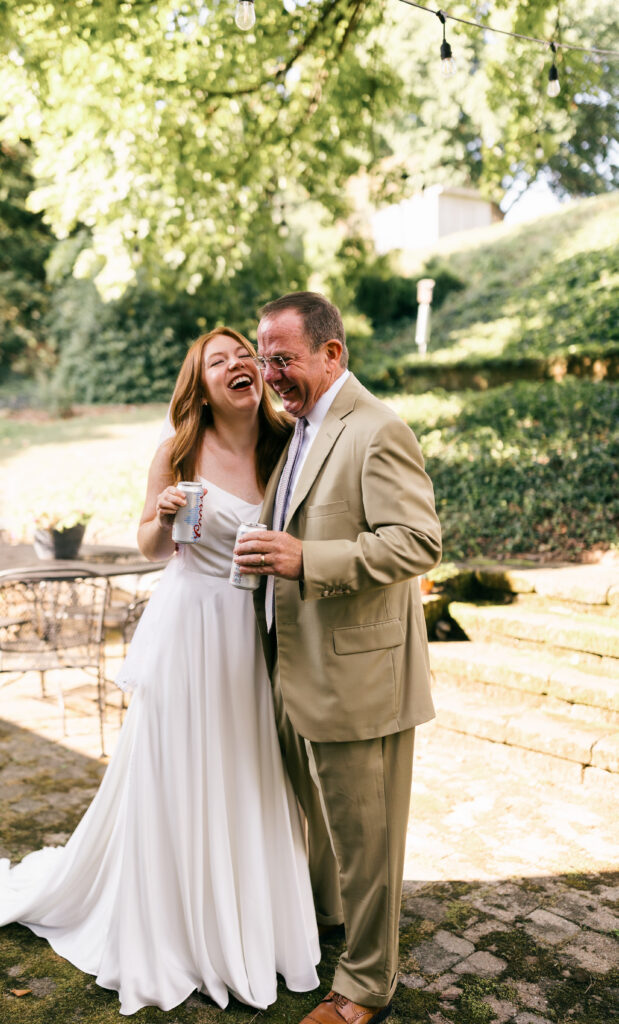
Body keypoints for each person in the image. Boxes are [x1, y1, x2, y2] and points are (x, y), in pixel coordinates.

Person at [0, 327, 321, 1016]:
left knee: (248, 768)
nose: (237, 364)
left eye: (244, 356)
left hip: (253, 631)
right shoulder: (177, 451)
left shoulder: (285, 445)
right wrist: (165, 512)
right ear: (198, 384)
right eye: (218, 360)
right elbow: (148, 545)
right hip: (187, 630)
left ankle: (249, 924)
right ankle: (174, 927)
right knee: (176, 770)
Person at [234, 293, 442, 1024]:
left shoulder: (376, 428)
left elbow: (417, 542)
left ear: (333, 354)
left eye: (282, 357)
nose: (270, 372)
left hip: (360, 677)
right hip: (297, 669)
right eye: (264, 357)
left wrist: (303, 558)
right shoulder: (298, 430)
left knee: (367, 844)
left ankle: (363, 987)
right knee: (323, 832)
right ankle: (330, 930)